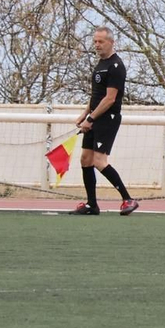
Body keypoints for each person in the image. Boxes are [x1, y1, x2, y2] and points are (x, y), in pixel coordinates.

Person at [70, 27, 139, 216]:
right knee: (85, 158)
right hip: (94, 117)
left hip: (107, 118)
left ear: (111, 42)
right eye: (95, 42)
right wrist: (85, 114)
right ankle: (92, 205)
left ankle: (128, 199)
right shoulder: (100, 64)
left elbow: (109, 99)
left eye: (101, 42)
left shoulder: (116, 66)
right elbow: (96, 95)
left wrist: (92, 118)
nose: (97, 45)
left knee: (99, 160)